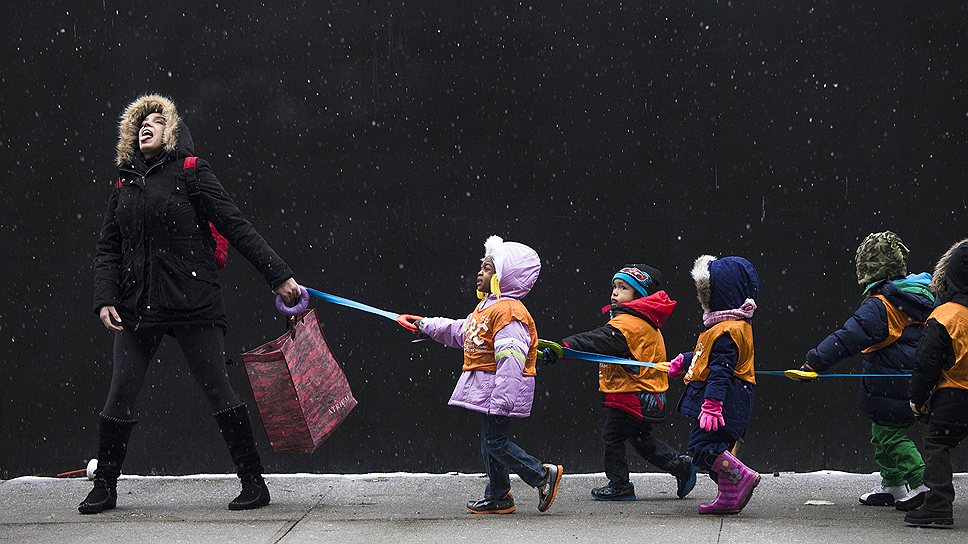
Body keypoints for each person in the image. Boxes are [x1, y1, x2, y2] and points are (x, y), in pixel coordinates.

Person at [83, 94, 301, 514]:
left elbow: (235, 225)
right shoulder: (124, 182)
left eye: (156, 120)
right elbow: (108, 248)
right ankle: (104, 485)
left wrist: (279, 276)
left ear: (173, 132)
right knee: (120, 393)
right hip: (137, 306)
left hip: (192, 302)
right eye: (140, 122)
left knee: (219, 389)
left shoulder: (190, 172)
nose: (146, 125)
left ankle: (254, 482)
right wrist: (104, 299)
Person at [404, 236, 563, 514]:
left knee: (495, 442)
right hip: (487, 389)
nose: (480, 272)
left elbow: (511, 358)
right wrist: (426, 325)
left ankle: (541, 474)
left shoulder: (509, 312)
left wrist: (503, 398)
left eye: (489, 268)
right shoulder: (486, 308)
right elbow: (460, 331)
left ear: (505, 276)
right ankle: (498, 495)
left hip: (498, 392)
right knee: (490, 442)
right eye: (482, 267)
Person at [798, 232, 934, 510]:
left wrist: (816, 361)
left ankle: (923, 484)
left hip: (891, 386)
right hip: (911, 382)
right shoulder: (918, 295)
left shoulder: (880, 304)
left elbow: (847, 337)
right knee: (881, 433)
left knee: (890, 436)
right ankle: (893, 485)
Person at [541, 264, 697, 501]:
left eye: (623, 288)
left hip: (633, 393)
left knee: (612, 437)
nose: (615, 292)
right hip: (644, 391)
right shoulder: (639, 321)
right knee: (641, 440)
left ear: (639, 295)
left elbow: (598, 340)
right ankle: (679, 465)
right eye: (614, 286)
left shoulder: (628, 326)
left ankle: (620, 484)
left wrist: (565, 347)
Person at [663, 255, 761, 515]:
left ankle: (740, 475)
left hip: (724, 402)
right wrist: (684, 361)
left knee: (703, 448)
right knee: (714, 448)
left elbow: (720, 370)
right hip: (730, 400)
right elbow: (707, 356)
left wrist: (713, 404)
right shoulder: (729, 326)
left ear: (717, 295)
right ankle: (729, 495)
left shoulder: (726, 330)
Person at [905, 238, 968, 527]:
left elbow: (926, 365)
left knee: (937, 444)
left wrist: (917, 398)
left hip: (953, 397)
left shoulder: (945, 316)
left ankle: (939, 506)